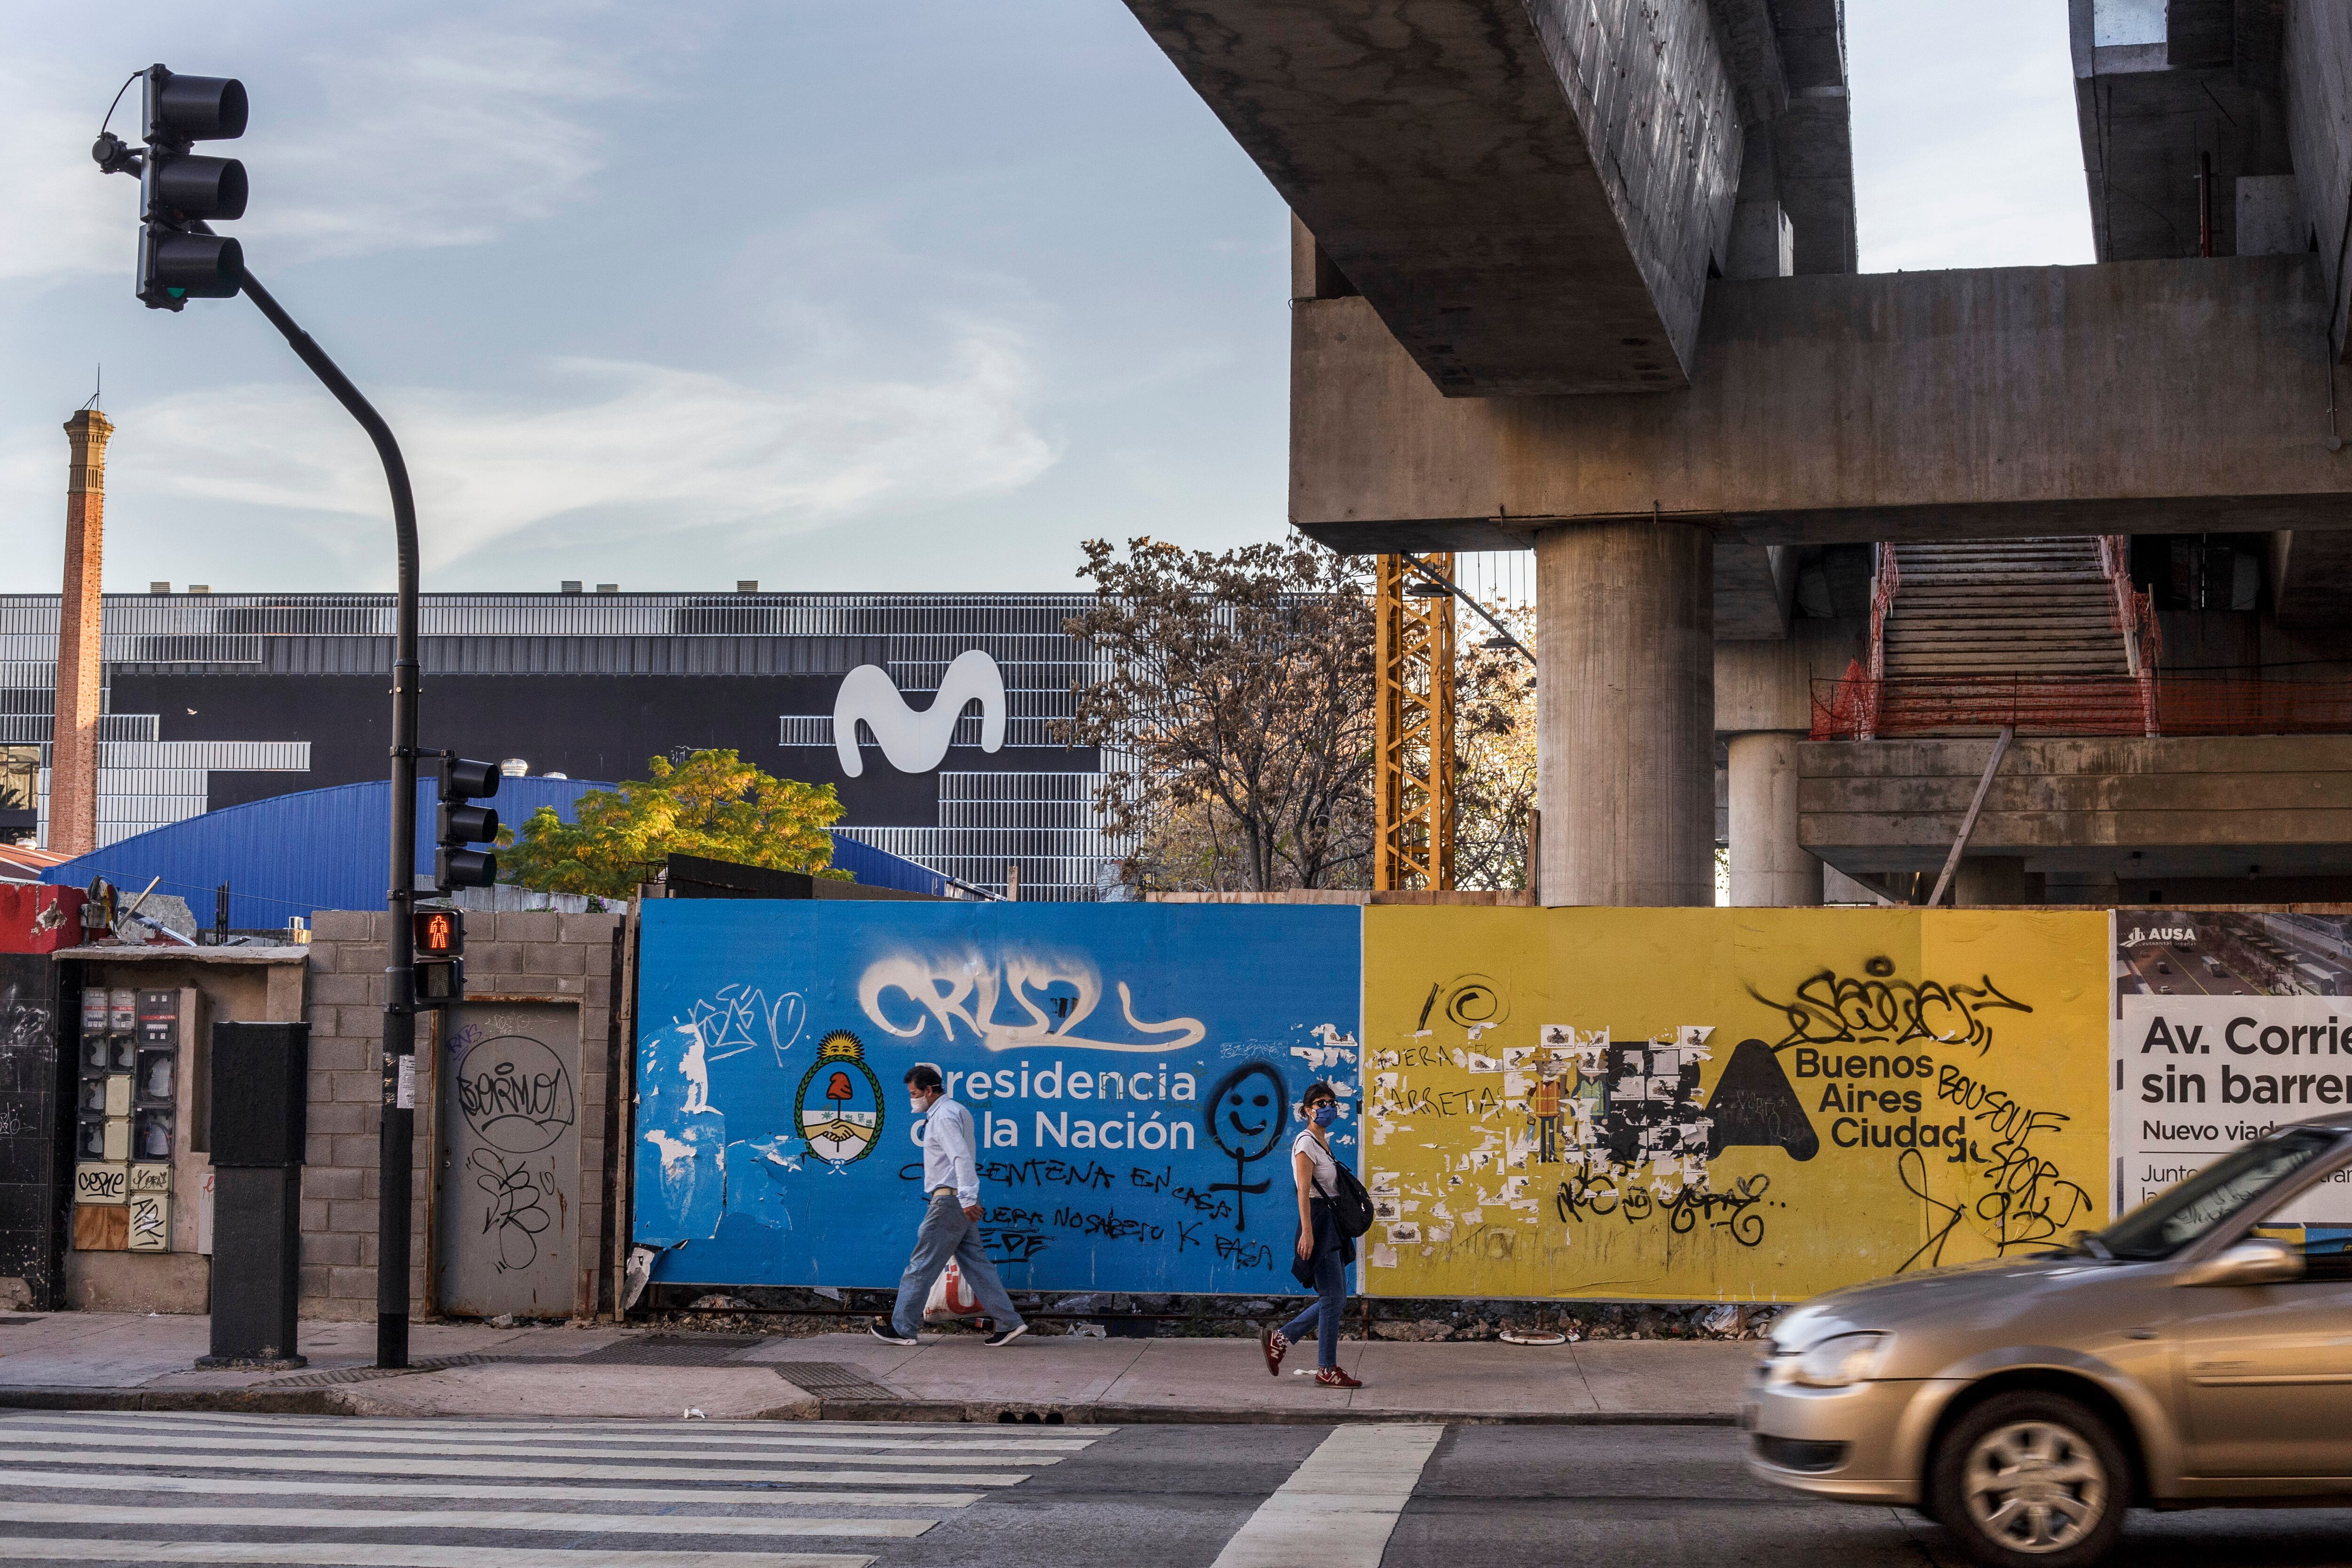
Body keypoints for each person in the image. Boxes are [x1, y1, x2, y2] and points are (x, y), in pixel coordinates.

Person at [872, 1062, 1028, 1347]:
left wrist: (967, 1198)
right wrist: (968, 1198)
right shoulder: (957, 1110)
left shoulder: (943, 1116)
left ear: (929, 1090)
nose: (912, 1098)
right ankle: (1009, 1323)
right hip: (959, 1200)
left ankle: (903, 1328)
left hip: (949, 1200)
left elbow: (961, 1158)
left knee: (921, 1265)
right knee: (977, 1265)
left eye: (914, 1092)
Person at [1259, 1079, 1361, 1387]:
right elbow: (1303, 1190)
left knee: (1336, 1298)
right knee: (1333, 1298)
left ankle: (1281, 1338)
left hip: (1330, 1223)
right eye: (1320, 1103)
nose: (1327, 1107)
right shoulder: (1305, 1143)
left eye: (1331, 1102)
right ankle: (1326, 1368)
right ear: (1307, 1110)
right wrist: (1307, 1232)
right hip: (1317, 1222)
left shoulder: (1322, 1141)